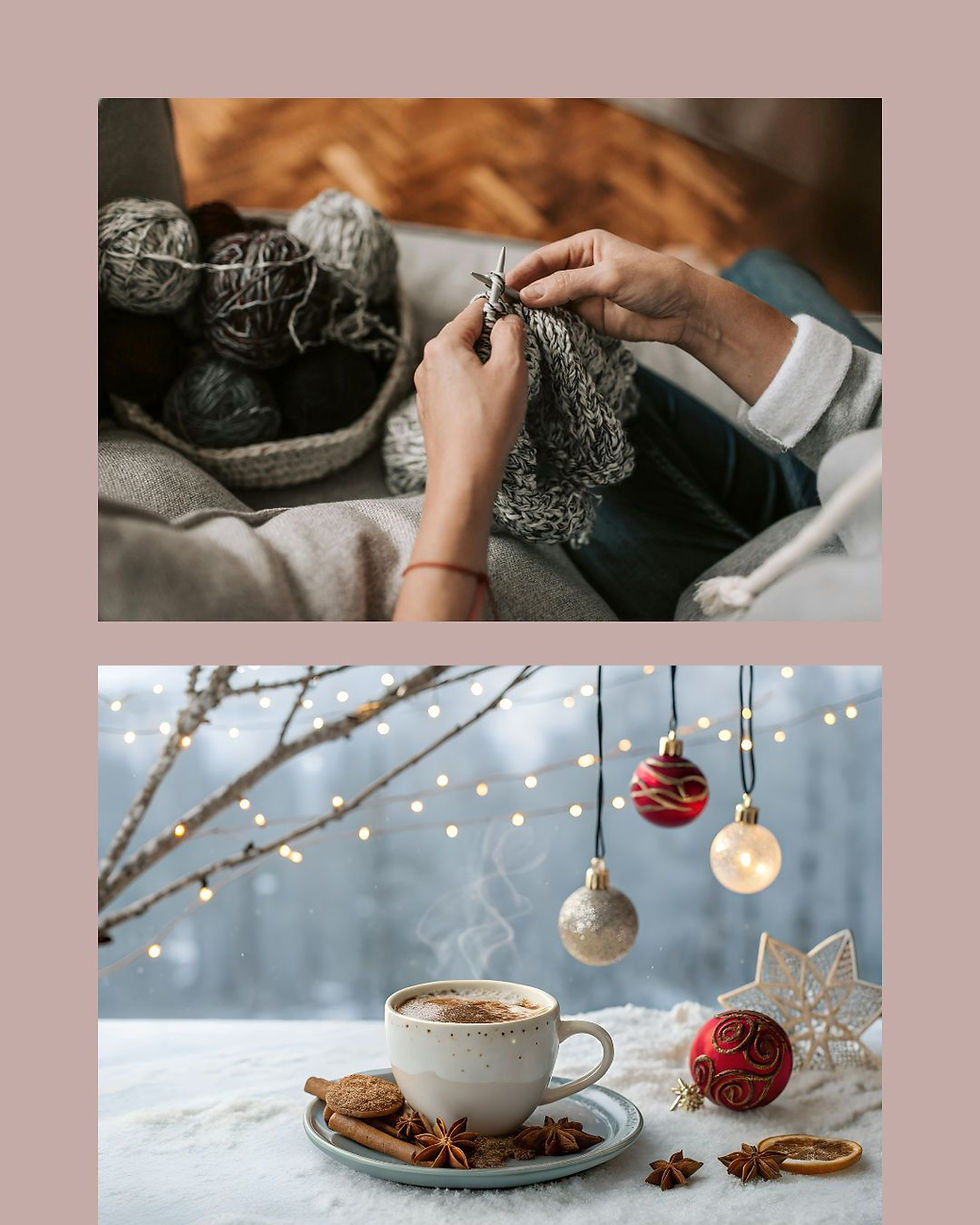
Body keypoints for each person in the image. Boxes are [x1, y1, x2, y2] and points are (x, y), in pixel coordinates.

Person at [394, 231, 882, 621]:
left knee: (759, 268)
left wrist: (462, 462)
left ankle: (719, 265)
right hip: (855, 490)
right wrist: (697, 310)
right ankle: (718, 266)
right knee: (763, 265)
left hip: (718, 600)